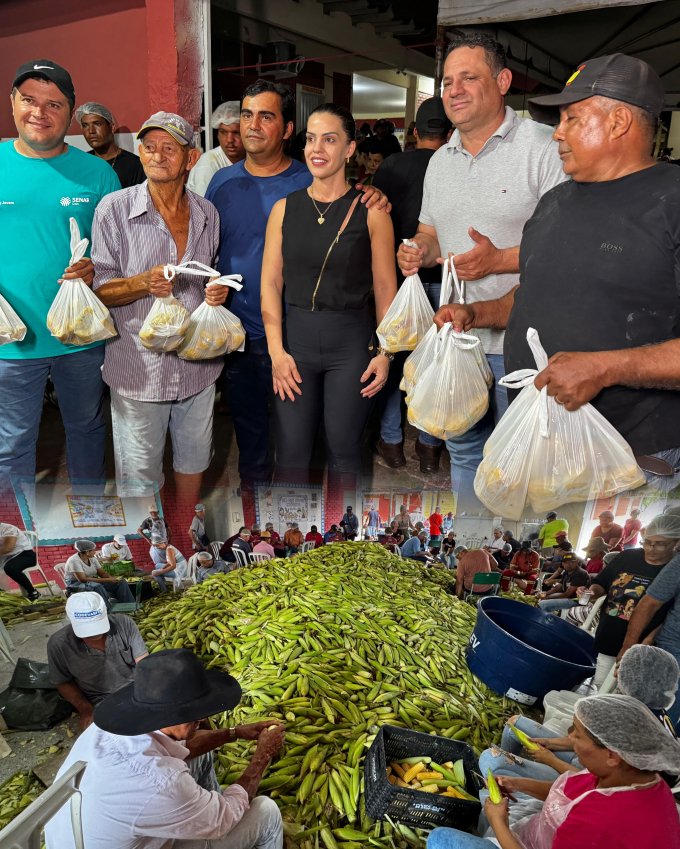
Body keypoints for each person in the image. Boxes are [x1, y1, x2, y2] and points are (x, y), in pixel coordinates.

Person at [441, 53, 680, 483]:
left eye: (572, 118)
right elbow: (536, 292)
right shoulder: (556, 201)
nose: (558, 135)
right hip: (540, 436)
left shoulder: (672, 204)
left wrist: (605, 367)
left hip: (634, 454)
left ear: (619, 121)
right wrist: (477, 314)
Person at [399, 34, 565, 494]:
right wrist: (418, 249)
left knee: (522, 464)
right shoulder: (441, 161)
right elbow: (431, 232)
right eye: (448, 81)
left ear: (503, 81)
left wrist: (500, 260)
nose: (454, 90)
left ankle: (516, 561)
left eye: (469, 77)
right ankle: (470, 552)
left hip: (525, 342)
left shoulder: (545, 148)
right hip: (460, 339)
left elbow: (569, 248)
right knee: (466, 451)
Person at [207, 82, 386, 482]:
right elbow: (217, 254)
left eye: (266, 116)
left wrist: (385, 350)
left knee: (330, 447)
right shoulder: (224, 184)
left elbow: (380, 281)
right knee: (261, 442)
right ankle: (271, 533)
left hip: (321, 337)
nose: (252, 125)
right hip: (247, 333)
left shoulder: (329, 190)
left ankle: (340, 536)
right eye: (247, 115)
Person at [92, 111, 226, 502]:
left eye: (170, 148)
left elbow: (209, 274)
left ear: (191, 158)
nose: (157, 156)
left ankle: (185, 530)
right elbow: (99, 290)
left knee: (194, 457)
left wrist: (216, 291)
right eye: (149, 147)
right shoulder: (113, 210)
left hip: (198, 363)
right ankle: (145, 545)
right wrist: (140, 283)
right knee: (139, 470)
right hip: (138, 366)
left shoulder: (206, 213)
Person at [0, 60, 120, 486]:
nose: (39, 112)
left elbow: (118, 255)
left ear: (69, 113)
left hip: (80, 336)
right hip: (11, 341)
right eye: (29, 100)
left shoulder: (98, 174)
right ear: (12, 103)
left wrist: (97, 269)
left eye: (54, 104)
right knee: (12, 442)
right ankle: (16, 539)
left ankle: (90, 518)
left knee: (86, 429)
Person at [261, 104, 396, 477]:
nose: (317, 149)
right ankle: (290, 535)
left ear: (350, 149)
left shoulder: (373, 211)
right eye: (310, 139)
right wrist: (276, 351)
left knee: (344, 453)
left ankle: (342, 536)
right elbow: (271, 283)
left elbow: (386, 287)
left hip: (351, 347)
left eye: (330, 139)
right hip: (295, 346)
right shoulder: (284, 209)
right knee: (290, 454)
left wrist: (386, 352)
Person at [45, 648, 285, 849]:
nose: (202, 720)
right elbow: (226, 819)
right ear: (180, 719)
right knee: (266, 812)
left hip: (75, 835)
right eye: (198, 716)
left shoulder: (109, 729)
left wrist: (234, 733)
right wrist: (262, 756)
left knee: (200, 757)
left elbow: (186, 746)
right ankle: (207, 815)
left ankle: (201, 811)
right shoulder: (161, 781)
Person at [429, 694, 680, 849]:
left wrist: (499, 822)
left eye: (577, 736)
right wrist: (518, 784)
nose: (569, 739)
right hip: (542, 832)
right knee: (490, 775)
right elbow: (570, 791)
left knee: (440, 841)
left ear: (612, 755)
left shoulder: (603, 823)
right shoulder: (628, 774)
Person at [373, 98, 452, 470]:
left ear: (415, 132)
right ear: (449, 132)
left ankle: (390, 443)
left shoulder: (391, 166)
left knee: (392, 359)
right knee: (433, 369)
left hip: (399, 283)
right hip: (445, 286)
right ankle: (428, 448)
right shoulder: (455, 166)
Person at [488, 644, 680, 787]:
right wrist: (551, 743)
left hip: (584, 781)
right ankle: (512, 759)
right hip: (584, 759)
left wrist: (550, 759)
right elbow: (591, 739)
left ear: (639, 681)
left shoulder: (638, 731)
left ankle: (509, 767)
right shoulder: (644, 710)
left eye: (623, 667)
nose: (617, 672)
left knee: (492, 761)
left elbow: (597, 785)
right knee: (516, 723)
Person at [584, 513, 680, 689]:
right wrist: (591, 592)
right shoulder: (627, 557)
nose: (651, 548)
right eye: (648, 542)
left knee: (623, 691)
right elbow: (601, 584)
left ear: (676, 542)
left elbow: (672, 613)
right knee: (600, 684)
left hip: (642, 644)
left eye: (660, 544)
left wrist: (646, 640)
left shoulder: (674, 569)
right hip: (609, 634)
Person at [47, 592, 148, 730]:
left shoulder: (124, 624)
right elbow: (62, 682)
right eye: (87, 630)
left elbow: (144, 664)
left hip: (136, 689)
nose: (94, 634)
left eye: (97, 626)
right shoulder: (59, 643)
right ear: (71, 620)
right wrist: (86, 710)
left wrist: (150, 693)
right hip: (99, 700)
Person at [75, 101, 145, 188]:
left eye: (97, 124)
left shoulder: (135, 165)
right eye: (85, 125)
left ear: (112, 127)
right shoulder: (79, 163)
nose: (91, 131)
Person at [187, 101, 245, 196]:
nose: (229, 140)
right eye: (223, 132)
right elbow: (205, 207)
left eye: (236, 133)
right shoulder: (208, 164)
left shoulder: (252, 159)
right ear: (217, 135)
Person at [64, 539, 135, 605]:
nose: (95, 552)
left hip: (91, 580)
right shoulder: (74, 561)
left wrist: (112, 579)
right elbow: (83, 579)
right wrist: (108, 580)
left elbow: (102, 573)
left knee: (121, 582)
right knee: (97, 587)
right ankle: (107, 610)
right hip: (75, 584)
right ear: (87, 552)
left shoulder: (92, 558)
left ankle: (129, 605)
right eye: (93, 550)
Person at [0, 522, 39, 601]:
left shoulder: (8, 528)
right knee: (9, 566)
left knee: (10, 568)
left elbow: (8, 548)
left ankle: (33, 592)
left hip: (25, 555)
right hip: (8, 558)